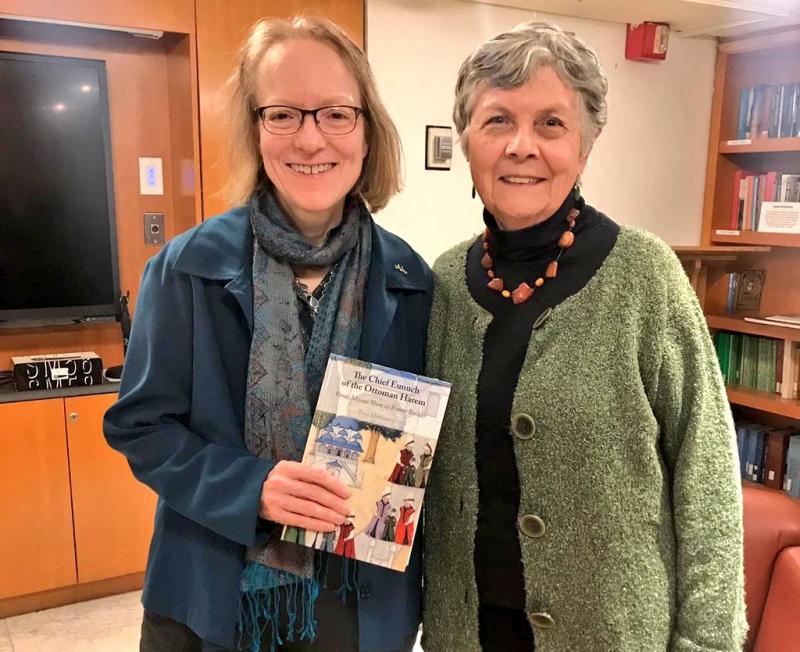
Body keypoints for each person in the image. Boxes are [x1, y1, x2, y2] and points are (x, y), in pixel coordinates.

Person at [103, 15, 430, 652]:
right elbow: (140, 426)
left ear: (367, 130)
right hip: (211, 595)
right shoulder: (183, 268)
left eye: (336, 113)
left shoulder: (411, 280)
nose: (311, 139)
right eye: (283, 114)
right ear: (257, 129)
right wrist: (252, 487)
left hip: (358, 602)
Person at [422, 21, 747, 652]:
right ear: (467, 141)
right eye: (497, 121)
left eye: (551, 122)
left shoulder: (644, 277)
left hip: (613, 633)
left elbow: (707, 474)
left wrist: (707, 643)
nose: (522, 145)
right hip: (466, 632)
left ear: (586, 143)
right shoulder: (442, 282)